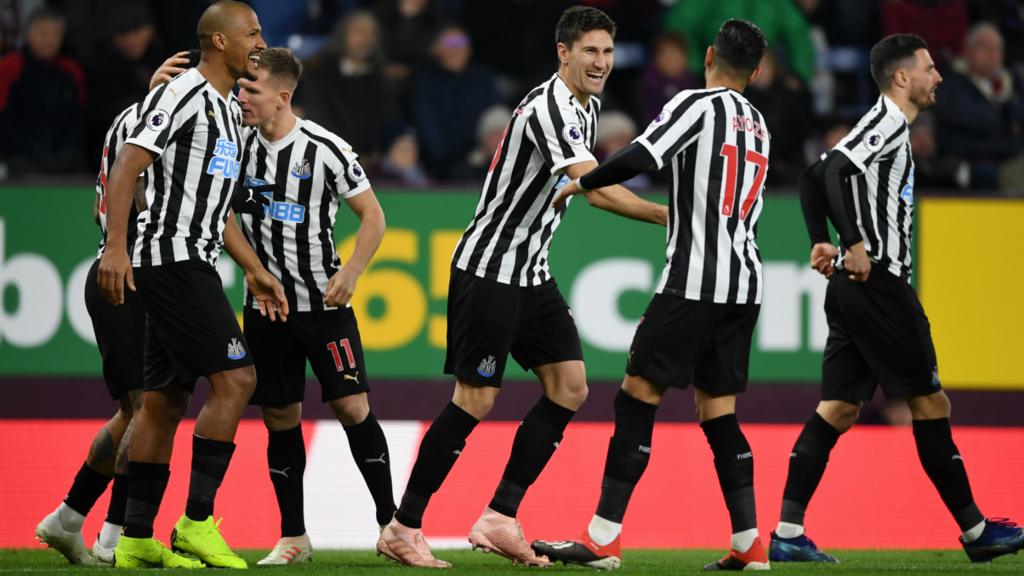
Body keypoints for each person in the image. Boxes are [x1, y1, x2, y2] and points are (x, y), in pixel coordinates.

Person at [376, 5, 666, 568]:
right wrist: (670, 216)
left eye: (607, 51)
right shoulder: (550, 108)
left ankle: (499, 517)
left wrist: (566, 188)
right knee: (476, 398)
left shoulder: (585, 106)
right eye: (590, 51)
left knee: (570, 386)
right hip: (489, 270)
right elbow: (599, 189)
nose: (601, 62)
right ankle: (403, 526)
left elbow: (574, 182)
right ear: (563, 52)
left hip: (530, 270)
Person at [770, 33, 1024, 564]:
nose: (938, 77)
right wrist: (854, 244)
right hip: (881, 285)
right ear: (902, 77)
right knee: (931, 402)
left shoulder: (882, 126)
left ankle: (788, 533)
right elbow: (832, 172)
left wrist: (821, 237)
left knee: (837, 409)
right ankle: (977, 533)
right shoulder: (887, 122)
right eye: (930, 68)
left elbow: (816, 172)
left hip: (850, 289)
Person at [532, 19, 771, 572]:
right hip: (745, 282)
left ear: (709, 56)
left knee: (637, 396)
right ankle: (749, 543)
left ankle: (602, 540)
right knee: (718, 409)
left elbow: (643, 156)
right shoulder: (759, 122)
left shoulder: (696, 104)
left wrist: (583, 182)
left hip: (694, 279)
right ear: (755, 72)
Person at [97, 1, 285, 569]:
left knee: (164, 401)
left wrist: (252, 267)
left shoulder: (229, 109)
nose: (260, 39)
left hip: (194, 256)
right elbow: (129, 163)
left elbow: (213, 204)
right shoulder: (180, 95)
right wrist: (115, 245)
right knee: (237, 378)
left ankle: (132, 541)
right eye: (250, 31)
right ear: (219, 42)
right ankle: (196, 522)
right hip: (171, 258)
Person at [235, 47, 393, 565]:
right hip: (265, 310)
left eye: (251, 89)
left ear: (282, 97)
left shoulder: (326, 148)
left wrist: (349, 274)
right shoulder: (233, 146)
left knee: (352, 407)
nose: (242, 97)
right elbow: (219, 214)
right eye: (240, 87)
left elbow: (373, 217)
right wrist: (255, 275)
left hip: (322, 306)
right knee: (280, 417)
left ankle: (392, 526)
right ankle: (293, 537)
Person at [34, 101, 150, 567]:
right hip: (135, 273)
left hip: (113, 266)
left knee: (133, 411)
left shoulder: (123, 120)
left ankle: (68, 516)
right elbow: (138, 192)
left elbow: (96, 205)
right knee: (150, 408)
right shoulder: (164, 122)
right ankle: (114, 540)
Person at [0, 5, 86, 175]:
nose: (49, 40)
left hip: (64, 159)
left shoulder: (72, 71)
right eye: (43, 33)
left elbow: (79, 120)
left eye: (56, 35)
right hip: (19, 157)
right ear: (28, 35)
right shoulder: (9, 68)